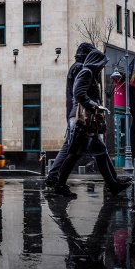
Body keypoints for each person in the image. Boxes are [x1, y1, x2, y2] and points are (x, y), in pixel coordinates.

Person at [54, 48, 132, 197]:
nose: (103, 66)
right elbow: (78, 94)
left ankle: (113, 184)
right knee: (74, 154)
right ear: (96, 62)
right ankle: (59, 185)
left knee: (100, 152)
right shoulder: (87, 72)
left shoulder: (90, 74)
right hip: (83, 122)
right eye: (102, 63)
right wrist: (94, 105)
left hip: (88, 123)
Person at [45, 42, 95, 187]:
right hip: (78, 113)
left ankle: (54, 176)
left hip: (73, 112)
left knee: (69, 146)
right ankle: (54, 177)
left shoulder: (74, 67)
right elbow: (79, 93)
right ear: (85, 55)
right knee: (70, 148)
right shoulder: (80, 68)